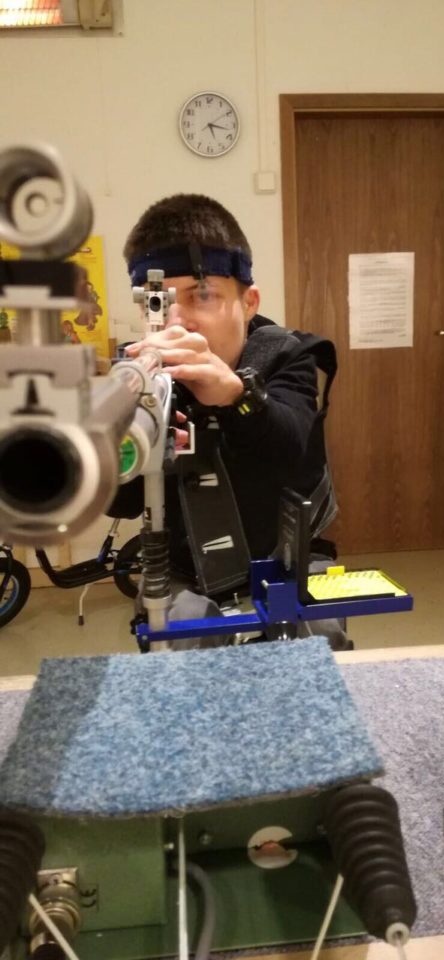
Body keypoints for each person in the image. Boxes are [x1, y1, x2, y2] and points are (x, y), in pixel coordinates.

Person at [108, 193, 348, 649]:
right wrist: (129, 439)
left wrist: (235, 396)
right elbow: (121, 503)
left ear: (249, 301)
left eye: (203, 294)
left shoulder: (284, 354)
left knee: (314, 663)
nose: (179, 320)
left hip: (289, 564)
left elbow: (294, 448)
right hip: (185, 576)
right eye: (158, 301)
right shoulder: (140, 372)